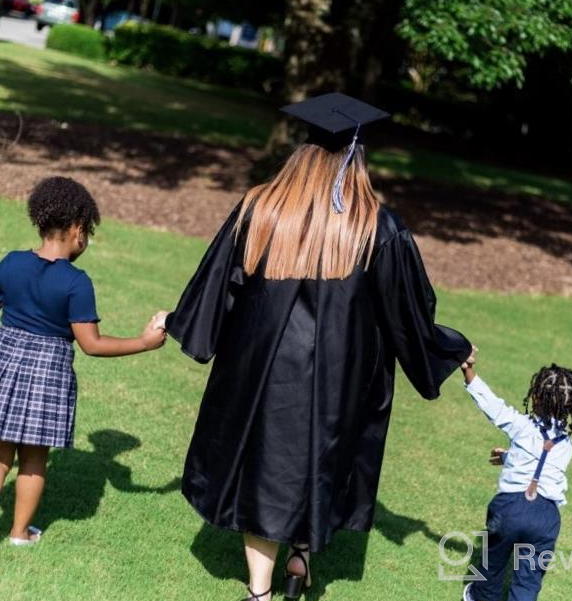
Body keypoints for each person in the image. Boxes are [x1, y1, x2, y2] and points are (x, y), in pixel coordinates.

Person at [155, 93, 472, 601]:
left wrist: (180, 321)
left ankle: (259, 592)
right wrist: (448, 347)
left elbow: (219, 283)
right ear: (356, 156)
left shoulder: (261, 207)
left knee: (264, 470)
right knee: (321, 462)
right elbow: (408, 312)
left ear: (302, 149)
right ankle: (300, 558)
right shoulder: (375, 225)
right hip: (341, 379)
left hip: (261, 372)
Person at [0, 176, 166, 546]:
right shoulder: (76, 283)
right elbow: (91, 344)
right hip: (46, 372)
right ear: (77, 229)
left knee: (0, 450)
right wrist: (143, 342)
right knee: (32, 458)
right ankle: (18, 533)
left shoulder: (10, 263)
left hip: (5, 361)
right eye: (87, 232)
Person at [460, 349, 572, 601]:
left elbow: (492, 405)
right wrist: (509, 457)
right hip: (546, 518)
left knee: (491, 566)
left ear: (537, 397)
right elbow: (543, 465)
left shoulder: (521, 425)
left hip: (510, 509)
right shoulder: (567, 444)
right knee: (528, 581)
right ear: (571, 406)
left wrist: (467, 370)